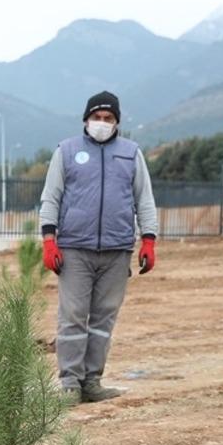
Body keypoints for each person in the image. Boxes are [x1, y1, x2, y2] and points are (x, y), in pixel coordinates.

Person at [39, 91, 158, 403]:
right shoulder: (66, 151)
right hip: (74, 249)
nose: (102, 123)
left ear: (117, 122)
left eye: (108, 118)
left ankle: (92, 381)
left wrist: (149, 239)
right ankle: (70, 383)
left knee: (104, 319)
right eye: (96, 117)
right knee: (73, 316)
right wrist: (49, 240)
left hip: (117, 250)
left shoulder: (131, 153)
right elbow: (51, 197)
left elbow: (144, 199)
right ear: (86, 120)